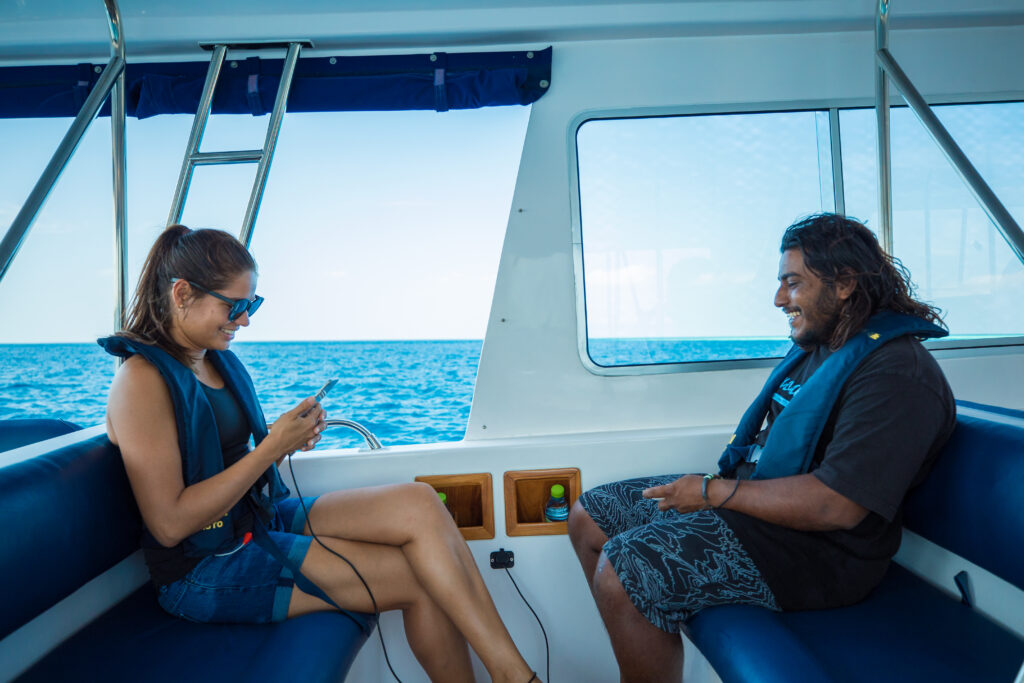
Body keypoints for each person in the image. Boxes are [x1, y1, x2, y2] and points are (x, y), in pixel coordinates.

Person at [102, 225, 540, 683]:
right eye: (234, 306)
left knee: (421, 503)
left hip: (253, 521)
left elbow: (225, 466)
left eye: (252, 305)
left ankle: (513, 674)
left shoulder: (211, 359)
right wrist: (271, 447)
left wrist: (281, 443)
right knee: (422, 582)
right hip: (201, 568)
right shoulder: (141, 382)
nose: (245, 319)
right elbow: (170, 524)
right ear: (182, 294)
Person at [568, 213, 956, 683]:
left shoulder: (896, 374)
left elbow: (838, 506)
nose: (778, 299)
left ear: (845, 283)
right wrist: (719, 492)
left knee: (624, 570)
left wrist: (711, 493)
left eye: (792, 283)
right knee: (591, 515)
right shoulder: (826, 347)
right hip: (766, 518)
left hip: (826, 556)